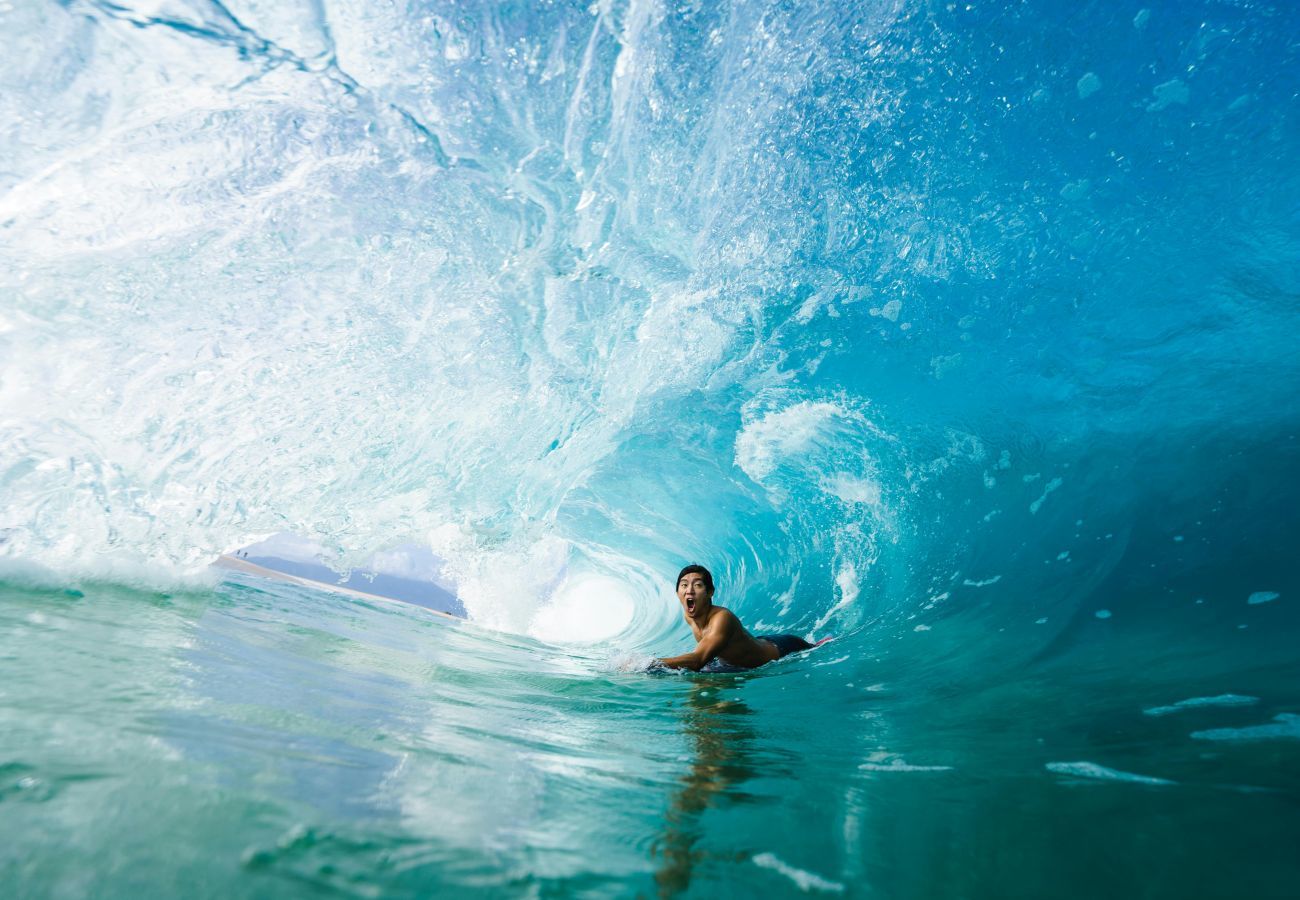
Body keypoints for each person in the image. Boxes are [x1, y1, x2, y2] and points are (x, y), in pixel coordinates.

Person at [655, 564, 817, 671]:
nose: (689, 590)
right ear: (677, 593)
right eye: (684, 585)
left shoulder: (722, 618)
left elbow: (698, 660)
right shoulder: (690, 614)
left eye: (697, 585)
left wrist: (650, 663)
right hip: (751, 646)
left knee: (819, 647)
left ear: (710, 592)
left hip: (780, 649)